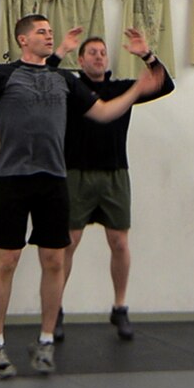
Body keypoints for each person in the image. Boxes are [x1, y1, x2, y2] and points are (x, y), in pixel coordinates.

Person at [0, 17, 163, 378]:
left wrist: (135, 92)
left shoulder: (64, 80)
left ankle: (45, 340)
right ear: (23, 39)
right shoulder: (1, 75)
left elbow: (102, 112)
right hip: (12, 179)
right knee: (6, 261)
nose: (48, 34)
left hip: (54, 180)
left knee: (54, 260)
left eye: (49, 31)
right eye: (41, 31)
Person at [54, 32, 174, 342]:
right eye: (91, 52)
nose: (98, 56)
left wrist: (147, 54)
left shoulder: (122, 88)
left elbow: (165, 84)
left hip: (114, 174)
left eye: (102, 52)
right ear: (80, 60)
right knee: (68, 243)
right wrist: (59, 50)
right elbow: (43, 78)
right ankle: (54, 310)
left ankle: (120, 307)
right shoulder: (71, 86)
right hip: (76, 173)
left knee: (119, 242)